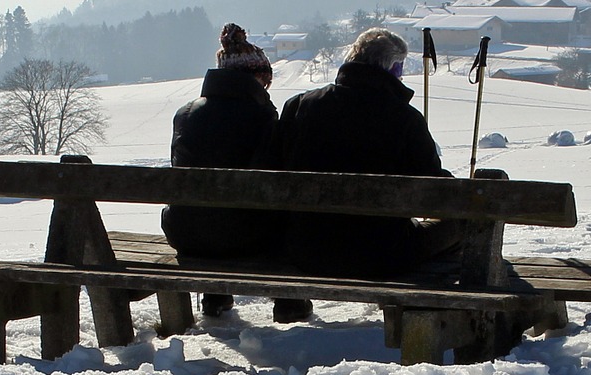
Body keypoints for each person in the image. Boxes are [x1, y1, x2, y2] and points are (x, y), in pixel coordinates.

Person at [276, 27, 462, 276]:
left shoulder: (300, 106)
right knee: (460, 225)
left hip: (304, 251)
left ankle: (291, 302)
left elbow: (275, 166)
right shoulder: (404, 118)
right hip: (381, 255)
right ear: (393, 69)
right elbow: (433, 190)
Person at [161, 23, 311, 322]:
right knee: (277, 215)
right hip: (248, 240)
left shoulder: (186, 115)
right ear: (256, 79)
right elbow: (276, 185)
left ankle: (215, 297)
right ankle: (289, 302)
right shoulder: (262, 117)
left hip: (185, 235)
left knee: (209, 210)